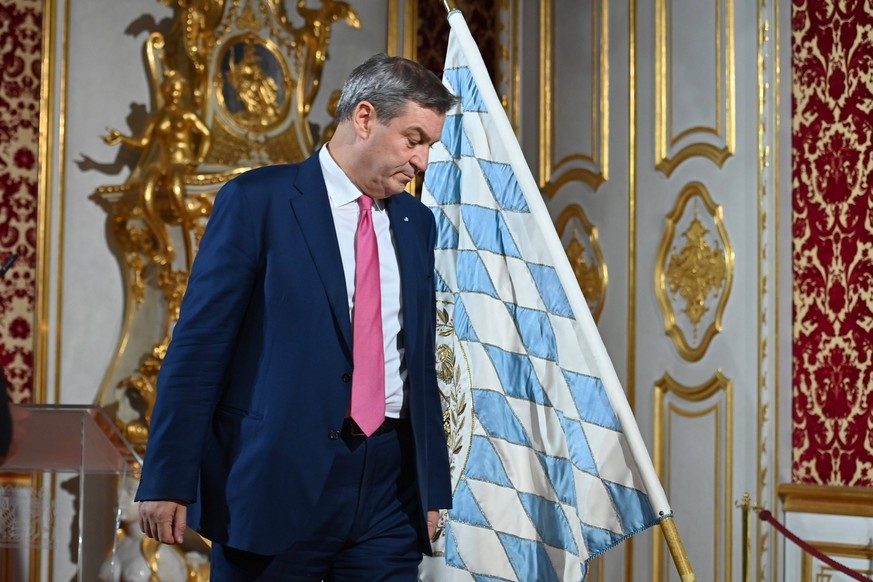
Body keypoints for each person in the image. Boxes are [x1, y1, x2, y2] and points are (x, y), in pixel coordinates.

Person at [135, 53, 458, 580]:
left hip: (389, 492)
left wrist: (430, 488)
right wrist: (167, 478)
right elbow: (199, 348)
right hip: (276, 481)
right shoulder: (257, 200)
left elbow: (418, 363)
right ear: (364, 117)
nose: (421, 162)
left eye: (429, 147)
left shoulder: (416, 223)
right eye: (414, 139)